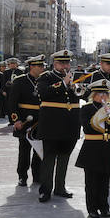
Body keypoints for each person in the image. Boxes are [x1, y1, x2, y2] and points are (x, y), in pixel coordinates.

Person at [36, 49, 80, 203]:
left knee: (64, 158)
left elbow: (82, 96)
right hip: (51, 126)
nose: (65, 66)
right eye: (62, 63)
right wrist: (63, 83)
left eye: (67, 63)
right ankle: (45, 190)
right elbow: (44, 93)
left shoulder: (74, 78)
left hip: (70, 125)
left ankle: (60, 187)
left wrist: (77, 87)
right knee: (49, 159)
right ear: (55, 64)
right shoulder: (45, 77)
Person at [74, 79, 110, 218]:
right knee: (92, 181)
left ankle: (104, 206)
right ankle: (92, 208)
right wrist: (102, 114)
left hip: (108, 147)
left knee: (105, 181)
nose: (104, 97)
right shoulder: (87, 108)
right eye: (100, 94)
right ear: (93, 95)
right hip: (92, 148)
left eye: (106, 94)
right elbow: (87, 127)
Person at [9, 55, 43, 186]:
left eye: (42, 66)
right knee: (24, 150)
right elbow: (12, 102)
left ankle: (37, 176)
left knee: (39, 150)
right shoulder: (20, 81)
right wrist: (16, 120)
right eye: (39, 66)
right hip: (25, 119)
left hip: (40, 120)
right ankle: (22, 176)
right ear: (31, 67)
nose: (42, 68)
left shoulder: (44, 80)